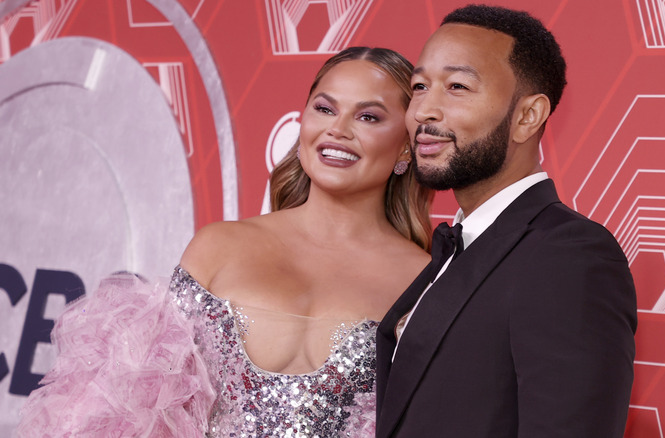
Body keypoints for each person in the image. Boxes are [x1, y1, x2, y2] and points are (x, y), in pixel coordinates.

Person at [16, 46, 432, 438]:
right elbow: (136, 414)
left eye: (369, 118)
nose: (338, 130)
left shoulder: (425, 281)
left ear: (406, 149)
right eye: (325, 109)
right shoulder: (219, 247)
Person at [375, 5, 637, 438]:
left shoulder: (568, 256)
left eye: (457, 86)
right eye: (419, 86)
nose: (424, 110)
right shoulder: (458, 246)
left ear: (528, 116)